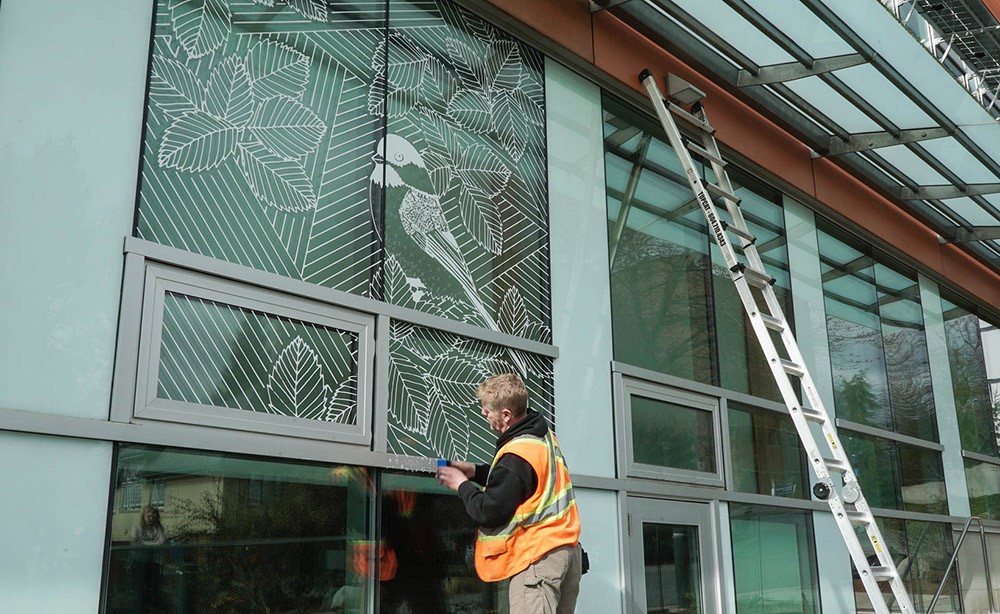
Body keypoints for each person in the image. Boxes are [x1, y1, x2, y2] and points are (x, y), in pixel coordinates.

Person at [436, 373, 583, 614]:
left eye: (487, 411)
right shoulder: (541, 436)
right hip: (565, 552)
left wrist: (461, 484)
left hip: (538, 558)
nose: (484, 414)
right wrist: (474, 471)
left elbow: (488, 511)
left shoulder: (517, 454)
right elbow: (521, 483)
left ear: (506, 414)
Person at [130, 506, 166, 612]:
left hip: (154, 562)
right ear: (144, 516)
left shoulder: (159, 528)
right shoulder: (137, 528)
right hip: (139, 563)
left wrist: (144, 543)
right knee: (141, 590)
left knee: (154, 590)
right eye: (148, 515)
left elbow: (161, 543)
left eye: (152, 515)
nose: (150, 518)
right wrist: (153, 544)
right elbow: (134, 544)